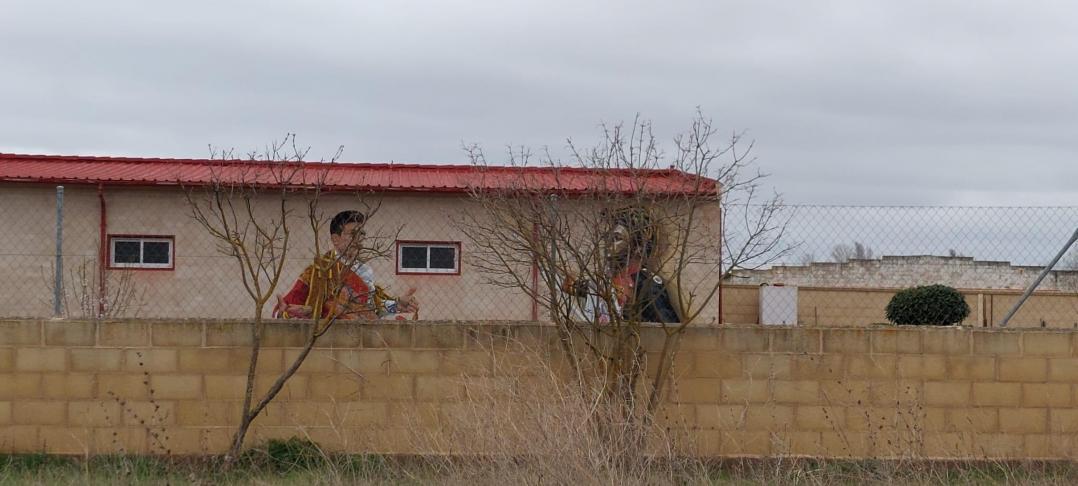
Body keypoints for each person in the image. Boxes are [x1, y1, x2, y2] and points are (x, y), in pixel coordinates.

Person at [274, 210, 418, 320]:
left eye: (361, 234)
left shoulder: (365, 271)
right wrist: (287, 313)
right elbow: (282, 310)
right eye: (353, 234)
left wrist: (397, 305)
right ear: (335, 239)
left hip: (364, 338)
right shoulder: (318, 272)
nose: (359, 239)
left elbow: (372, 308)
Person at [562, 207, 680, 324]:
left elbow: (669, 326)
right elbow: (577, 287)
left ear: (638, 246)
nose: (608, 244)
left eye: (617, 238)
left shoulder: (646, 283)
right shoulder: (605, 281)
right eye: (608, 238)